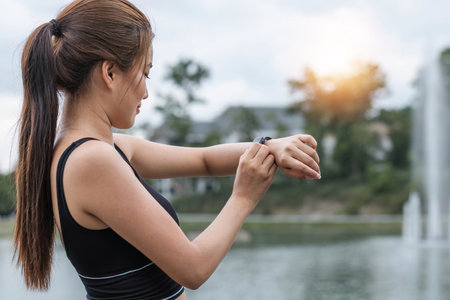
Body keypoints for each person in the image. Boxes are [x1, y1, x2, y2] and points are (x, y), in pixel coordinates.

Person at [13, 0, 321, 299]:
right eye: (144, 73)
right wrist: (243, 197)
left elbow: (205, 160)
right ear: (109, 73)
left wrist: (269, 146)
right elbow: (193, 268)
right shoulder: (92, 161)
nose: (146, 92)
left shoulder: (100, 150)